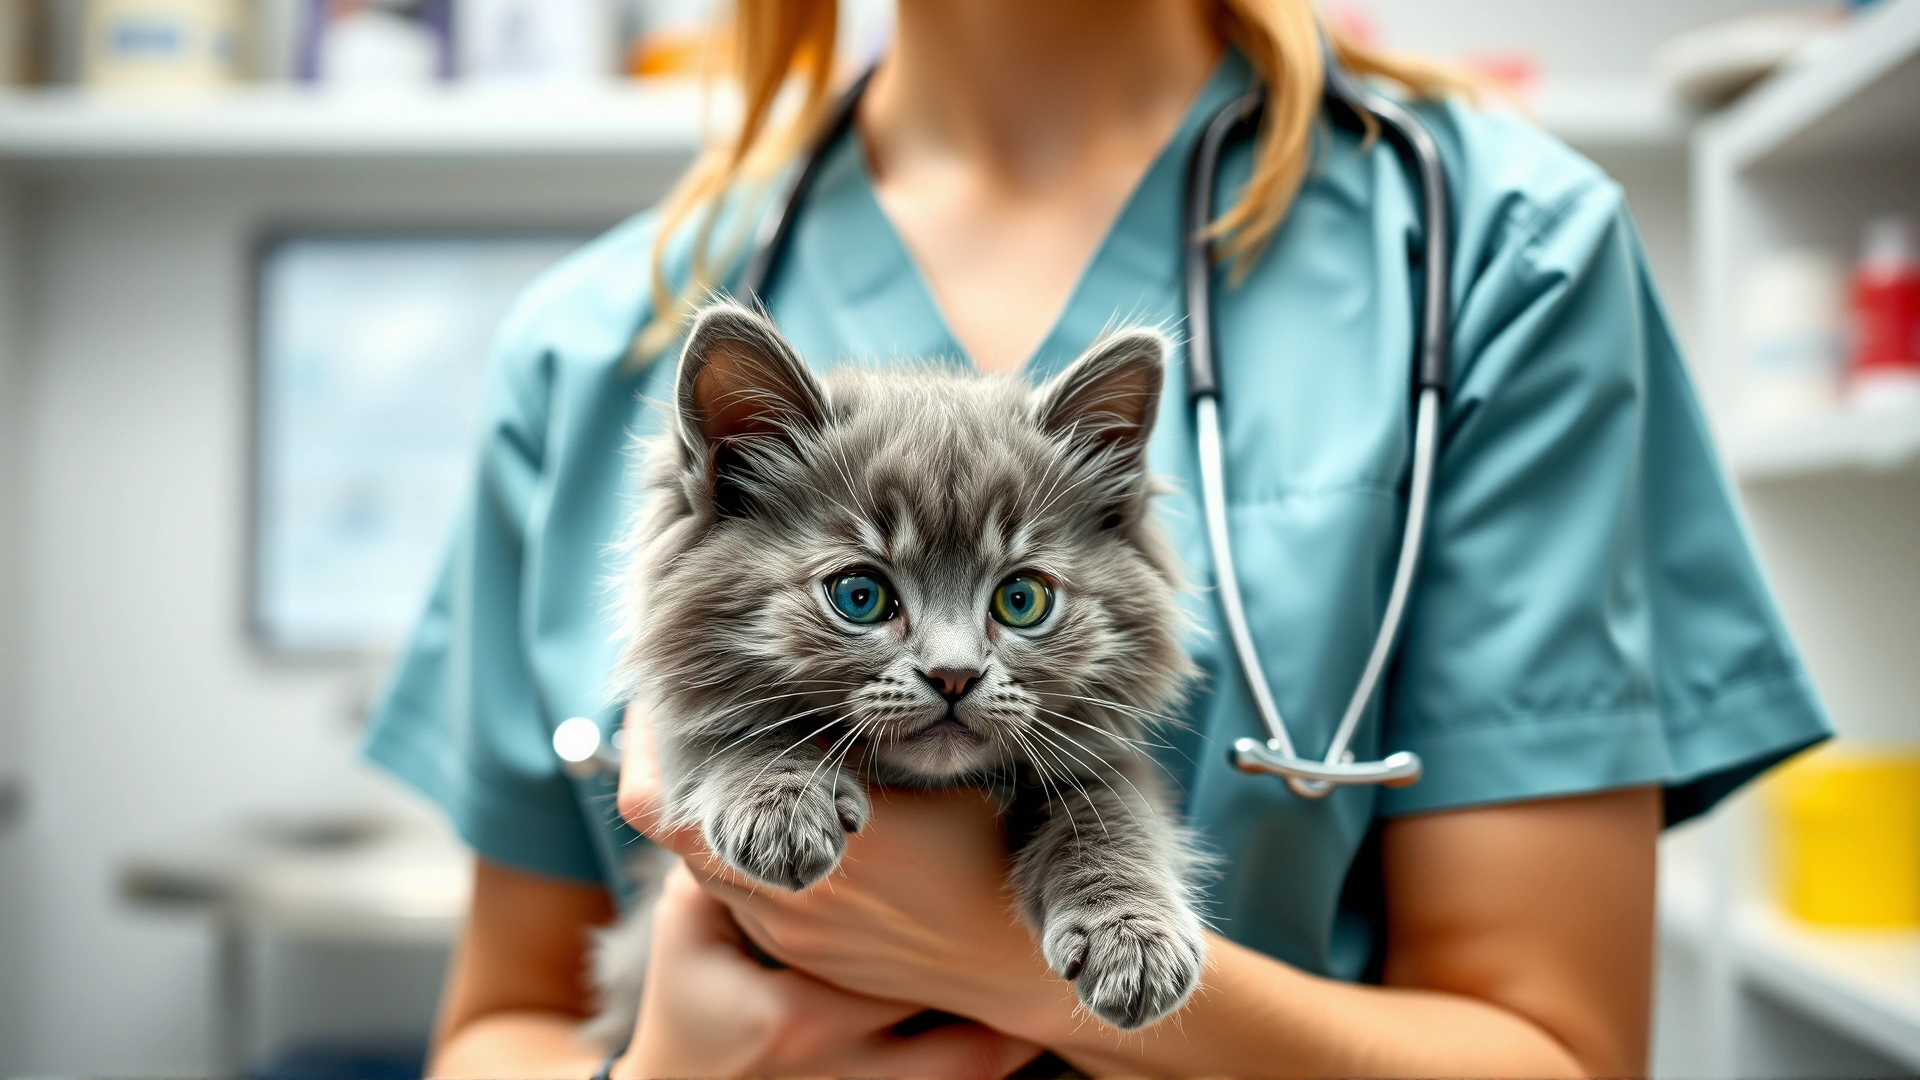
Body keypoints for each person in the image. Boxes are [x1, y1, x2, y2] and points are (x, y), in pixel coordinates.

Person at [363, 1, 1832, 1076]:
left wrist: (1007, 969)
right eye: (865, 593)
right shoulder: (586, 338)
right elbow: (500, 1030)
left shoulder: (1496, 249)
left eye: (1006, 601)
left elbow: (1556, 1052)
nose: (942, 663)